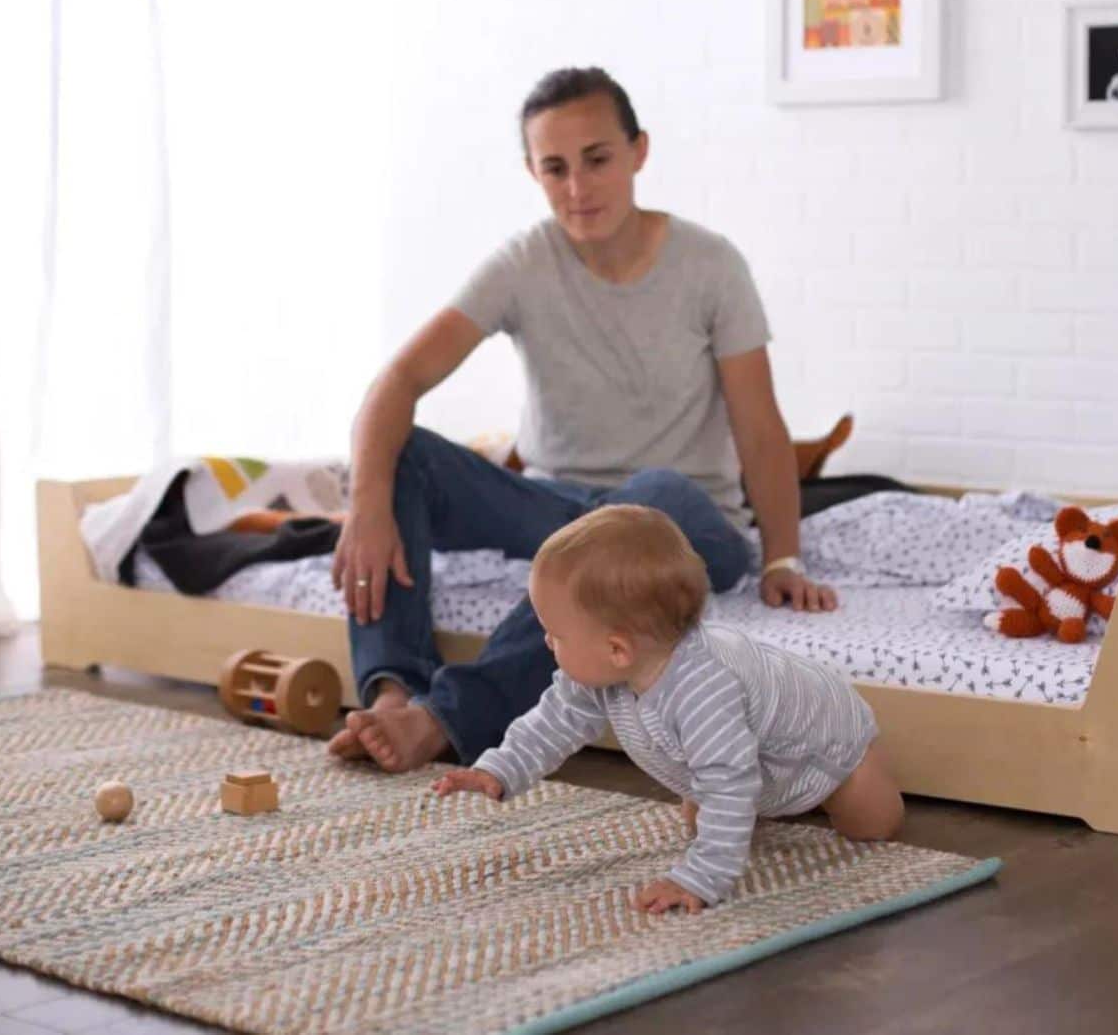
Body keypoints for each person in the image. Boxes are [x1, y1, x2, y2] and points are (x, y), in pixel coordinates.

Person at [327, 66, 838, 774]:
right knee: (400, 457)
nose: (577, 188)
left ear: (638, 151)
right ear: (533, 172)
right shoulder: (522, 263)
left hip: (683, 524)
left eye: (596, 160)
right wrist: (366, 504)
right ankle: (392, 691)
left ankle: (445, 717)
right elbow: (399, 380)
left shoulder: (712, 266)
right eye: (555, 168)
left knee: (653, 490)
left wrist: (783, 557)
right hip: (562, 510)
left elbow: (760, 429)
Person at [433, 505, 904, 913]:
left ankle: (848, 782)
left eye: (554, 633)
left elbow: (728, 782)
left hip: (819, 749)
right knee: (703, 818)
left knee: (870, 824)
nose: (546, 642)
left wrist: (700, 878)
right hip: (742, 757)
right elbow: (553, 721)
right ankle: (765, 808)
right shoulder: (608, 672)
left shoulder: (704, 690)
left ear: (617, 649)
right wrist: (499, 769)